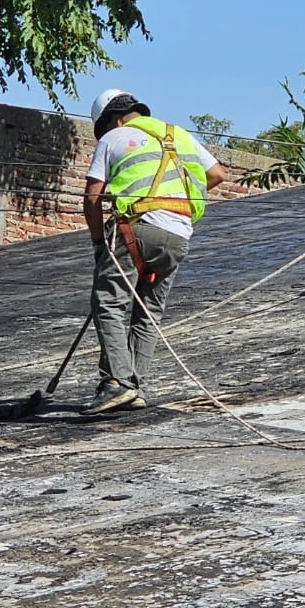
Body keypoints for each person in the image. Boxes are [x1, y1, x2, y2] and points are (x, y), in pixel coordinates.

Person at [81, 89, 226, 414]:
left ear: (114, 119)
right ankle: (135, 387)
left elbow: (92, 198)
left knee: (108, 302)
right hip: (179, 234)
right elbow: (217, 174)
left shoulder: (113, 137)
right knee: (147, 312)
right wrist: (178, 198)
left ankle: (118, 382)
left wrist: (97, 243)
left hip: (135, 228)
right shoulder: (179, 135)